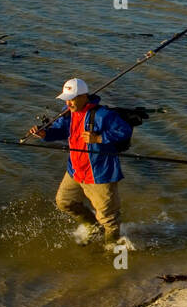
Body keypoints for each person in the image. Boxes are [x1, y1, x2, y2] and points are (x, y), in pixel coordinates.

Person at [27, 78, 133, 250]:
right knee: (64, 202)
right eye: (66, 99)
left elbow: (124, 131)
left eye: (72, 98)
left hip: (99, 174)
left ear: (83, 96)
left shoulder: (102, 115)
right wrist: (45, 134)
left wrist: (99, 138)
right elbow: (61, 131)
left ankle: (112, 252)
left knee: (109, 219)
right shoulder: (68, 112)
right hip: (75, 171)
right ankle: (93, 226)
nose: (68, 103)